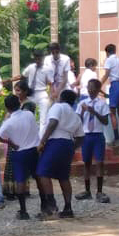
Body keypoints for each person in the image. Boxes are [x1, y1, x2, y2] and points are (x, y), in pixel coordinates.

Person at [37, 87, 84, 218]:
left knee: (42, 172)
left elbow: (53, 123)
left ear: (61, 98)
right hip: (68, 143)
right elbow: (81, 137)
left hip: (55, 141)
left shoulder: (58, 107)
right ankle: (68, 207)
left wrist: (42, 141)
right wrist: (72, 148)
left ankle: (51, 204)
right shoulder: (75, 115)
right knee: (63, 177)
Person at [0, 91, 41, 220]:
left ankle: (23, 211)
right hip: (33, 150)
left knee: (20, 181)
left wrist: (10, 142)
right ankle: (45, 205)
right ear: (19, 103)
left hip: (19, 152)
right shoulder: (29, 114)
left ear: (7, 108)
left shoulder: (9, 122)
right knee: (38, 178)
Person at [78, 77, 112, 203]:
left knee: (99, 162)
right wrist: (82, 112)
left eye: (92, 88)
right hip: (86, 135)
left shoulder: (102, 104)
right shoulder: (82, 103)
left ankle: (99, 191)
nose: (90, 90)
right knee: (86, 163)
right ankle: (87, 191)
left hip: (98, 135)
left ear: (98, 90)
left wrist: (95, 112)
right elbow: (78, 121)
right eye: (88, 87)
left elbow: (106, 121)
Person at [104, 43, 119, 144]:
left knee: (112, 112)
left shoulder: (109, 60)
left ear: (107, 52)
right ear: (115, 50)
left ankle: (116, 137)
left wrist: (98, 84)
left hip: (114, 85)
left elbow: (106, 75)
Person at [40, 42, 74, 106]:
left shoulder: (66, 59)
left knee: (62, 105)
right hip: (52, 86)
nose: (55, 54)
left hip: (63, 86)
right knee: (51, 105)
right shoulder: (47, 59)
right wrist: (52, 90)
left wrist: (57, 91)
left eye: (57, 52)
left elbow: (65, 78)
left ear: (59, 50)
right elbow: (47, 76)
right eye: (53, 52)